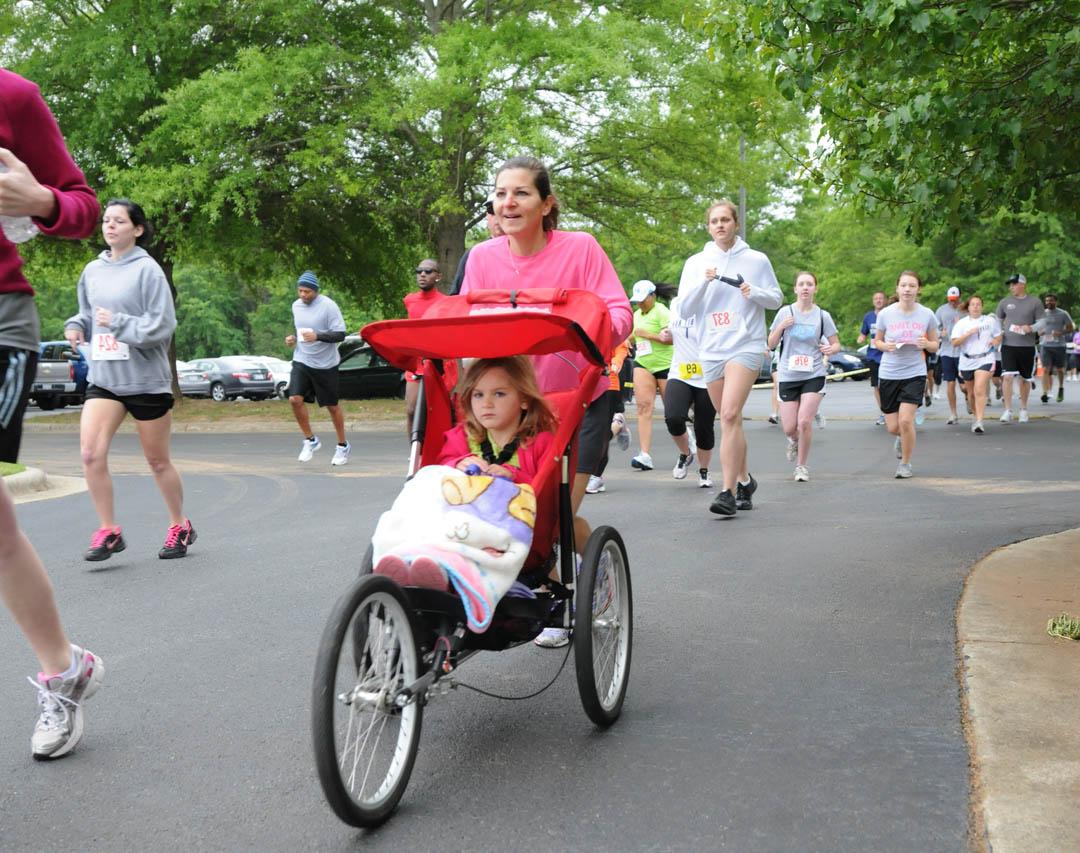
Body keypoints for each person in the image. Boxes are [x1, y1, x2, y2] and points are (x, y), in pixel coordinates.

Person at [460, 156, 632, 647]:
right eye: (500, 194)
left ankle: (579, 582)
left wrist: (588, 332)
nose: (508, 202)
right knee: (518, 505)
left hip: (578, 400)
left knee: (553, 513)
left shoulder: (580, 249)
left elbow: (617, 311)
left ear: (546, 203)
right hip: (515, 406)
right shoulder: (482, 257)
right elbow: (468, 324)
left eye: (521, 193)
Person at [1, 68, 104, 760]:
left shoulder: (12, 97)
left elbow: (82, 206)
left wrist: (39, 199)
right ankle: (64, 669)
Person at [65, 200, 196, 561]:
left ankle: (179, 525)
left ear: (137, 229)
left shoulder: (149, 271)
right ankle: (108, 531)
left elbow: (162, 326)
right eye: (106, 220)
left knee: (157, 462)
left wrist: (119, 322)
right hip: (106, 377)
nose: (110, 226)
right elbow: (87, 313)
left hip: (145, 379)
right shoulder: (92, 270)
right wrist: (77, 325)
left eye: (119, 221)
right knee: (90, 453)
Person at [677, 200, 783, 515]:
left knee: (728, 414)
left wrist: (754, 292)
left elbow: (776, 299)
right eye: (715, 221)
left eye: (726, 220)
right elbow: (683, 309)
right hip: (710, 348)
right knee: (730, 420)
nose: (721, 225)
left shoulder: (756, 260)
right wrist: (704, 282)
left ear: (736, 223)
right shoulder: (696, 263)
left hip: (746, 345)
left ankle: (727, 492)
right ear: (708, 227)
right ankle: (746, 481)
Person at [767, 271, 840, 482]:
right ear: (796, 289)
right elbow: (770, 344)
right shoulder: (785, 312)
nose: (806, 287)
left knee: (804, 422)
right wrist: (781, 326)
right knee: (790, 427)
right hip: (788, 374)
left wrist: (830, 349)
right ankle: (793, 440)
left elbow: (836, 343)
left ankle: (801, 466)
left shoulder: (822, 316)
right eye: (802, 284)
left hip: (814, 373)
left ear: (815, 289)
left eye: (810, 284)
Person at [436, 356, 556, 482]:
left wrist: (514, 477)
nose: (486, 404)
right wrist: (457, 463)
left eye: (499, 394)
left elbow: (547, 493)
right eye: (478, 395)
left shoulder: (542, 444)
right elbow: (439, 469)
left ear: (524, 399)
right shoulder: (460, 437)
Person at [872, 271, 939, 478]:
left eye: (912, 285)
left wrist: (926, 344)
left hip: (914, 373)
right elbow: (877, 341)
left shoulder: (927, 314)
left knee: (906, 421)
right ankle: (902, 438)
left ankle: (905, 464)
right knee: (893, 427)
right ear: (897, 289)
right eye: (904, 285)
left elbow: (936, 345)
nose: (907, 289)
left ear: (918, 289)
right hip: (889, 372)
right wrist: (887, 346)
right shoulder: (886, 314)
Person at [285, 271, 350, 465]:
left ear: (315, 291)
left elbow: (340, 335)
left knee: (332, 406)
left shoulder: (328, 306)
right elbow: (301, 330)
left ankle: (342, 445)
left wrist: (318, 336)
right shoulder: (296, 306)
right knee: (294, 399)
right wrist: (293, 339)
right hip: (302, 359)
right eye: (300, 291)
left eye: (307, 292)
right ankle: (310, 440)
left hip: (326, 364)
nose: (303, 295)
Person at [664, 295, 716, 487]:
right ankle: (686, 453)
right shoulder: (676, 303)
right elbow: (675, 333)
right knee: (673, 417)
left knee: (704, 427)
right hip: (680, 373)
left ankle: (704, 472)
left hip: (707, 375)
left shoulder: (711, 303)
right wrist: (667, 334)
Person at [628, 279, 672, 471]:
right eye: (637, 300)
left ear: (653, 296)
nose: (640, 303)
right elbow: (633, 334)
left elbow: (669, 339)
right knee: (643, 407)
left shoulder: (662, 311)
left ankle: (688, 440)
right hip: (643, 363)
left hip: (666, 365)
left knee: (673, 412)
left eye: (643, 299)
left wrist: (647, 335)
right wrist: (627, 339)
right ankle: (645, 454)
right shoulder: (636, 315)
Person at [403, 259, 447, 434]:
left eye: (428, 271)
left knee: (439, 411)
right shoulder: (409, 300)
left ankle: (439, 452)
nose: (422, 274)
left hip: (437, 362)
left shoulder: (445, 301)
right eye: (419, 270)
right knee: (411, 410)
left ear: (438, 276)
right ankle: (414, 457)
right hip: (415, 363)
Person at [951, 295, 1002, 434]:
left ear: (982, 307)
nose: (975, 307)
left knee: (980, 389)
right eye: (972, 304)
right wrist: (968, 334)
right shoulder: (961, 323)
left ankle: (979, 421)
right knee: (971, 393)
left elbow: (999, 335)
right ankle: (975, 417)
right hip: (967, 360)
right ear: (968, 307)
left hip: (985, 358)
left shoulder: (990, 321)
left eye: (978, 304)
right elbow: (954, 342)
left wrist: (995, 341)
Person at [586, 339, 632, 494]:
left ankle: (596, 476)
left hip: (607, 384)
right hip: (580, 384)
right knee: (584, 433)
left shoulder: (608, 320)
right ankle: (617, 425)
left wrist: (616, 362)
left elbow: (621, 347)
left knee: (600, 433)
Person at [995, 273, 1041, 424]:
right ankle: (1008, 410)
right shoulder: (1004, 302)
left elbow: (1043, 322)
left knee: (1024, 379)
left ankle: (1023, 409)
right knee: (1007, 376)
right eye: (1010, 284)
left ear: (1023, 284)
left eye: (1014, 284)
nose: (1011, 287)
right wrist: (998, 333)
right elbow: (998, 320)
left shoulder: (1035, 302)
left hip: (1027, 346)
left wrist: (1032, 327)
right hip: (1008, 345)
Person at [449, 193, 504, 295]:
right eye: (491, 210)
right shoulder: (473, 254)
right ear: (487, 216)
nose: (497, 216)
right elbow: (455, 296)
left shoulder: (525, 251)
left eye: (502, 210)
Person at [1036, 293, 1074, 404]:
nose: (1048, 302)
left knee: (1060, 369)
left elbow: (1070, 328)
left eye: (1051, 301)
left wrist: (1060, 332)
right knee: (1046, 369)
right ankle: (1044, 393)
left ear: (1055, 302)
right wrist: (1040, 332)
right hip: (1045, 345)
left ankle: (1061, 388)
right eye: (1047, 301)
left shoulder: (1063, 314)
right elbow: (1038, 329)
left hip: (1059, 345)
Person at [857, 291, 887, 425]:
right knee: (877, 385)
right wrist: (861, 338)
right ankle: (883, 412)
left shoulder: (889, 314)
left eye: (881, 298)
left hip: (888, 355)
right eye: (876, 299)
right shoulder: (868, 317)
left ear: (885, 300)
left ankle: (893, 410)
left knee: (889, 385)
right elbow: (864, 333)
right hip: (873, 356)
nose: (878, 300)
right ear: (873, 301)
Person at [935, 286, 964, 424]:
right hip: (946, 351)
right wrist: (940, 333)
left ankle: (968, 398)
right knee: (950, 383)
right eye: (951, 299)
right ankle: (953, 414)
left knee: (965, 386)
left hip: (962, 352)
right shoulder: (941, 310)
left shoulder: (965, 310)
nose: (953, 302)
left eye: (955, 299)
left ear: (959, 297)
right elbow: (934, 328)